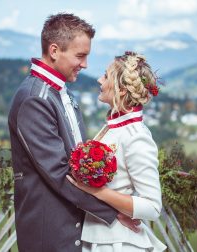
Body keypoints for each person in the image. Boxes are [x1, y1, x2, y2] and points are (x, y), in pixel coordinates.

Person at [8, 14, 138, 252]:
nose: (85, 64)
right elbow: (59, 173)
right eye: (80, 56)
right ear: (55, 51)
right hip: (50, 231)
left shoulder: (62, 93)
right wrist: (112, 211)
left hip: (74, 225)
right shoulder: (35, 100)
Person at [67, 51, 167, 251]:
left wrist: (98, 191)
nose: (99, 80)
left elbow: (152, 207)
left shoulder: (136, 135)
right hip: (99, 237)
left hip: (118, 244)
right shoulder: (114, 127)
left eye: (105, 76)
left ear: (121, 90)